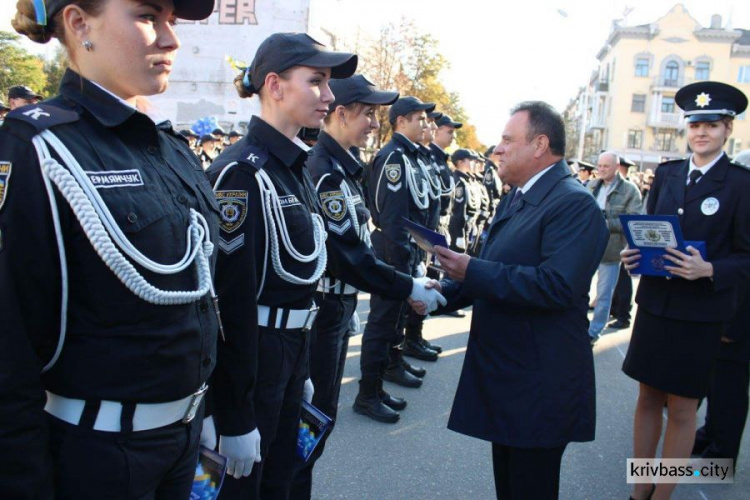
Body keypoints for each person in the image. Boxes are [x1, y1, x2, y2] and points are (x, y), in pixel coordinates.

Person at [0, 0, 219, 497]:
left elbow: (203, 296)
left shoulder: (170, 148)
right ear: (80, 24)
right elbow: (9, 342)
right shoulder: (37, 144)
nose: (171, 39)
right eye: (147, 16)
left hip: (182, 437)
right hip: (99, 455)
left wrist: (213, 409)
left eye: (172, 20)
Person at [204, 32, 357, 499]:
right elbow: (228, 302)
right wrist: (232, 411)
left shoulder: (292, 166)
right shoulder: (241, 173)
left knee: (282, 483)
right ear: (274, 86)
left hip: (290, 352)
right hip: (257, 356)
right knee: (247, 488)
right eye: (316, 81)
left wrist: (302, 365)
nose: (329, 97)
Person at [434, 101, 608, 499]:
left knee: (529, 489)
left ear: (539, 145)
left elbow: (555, 285)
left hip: (540, 385)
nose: (498, 149)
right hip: (513, 378)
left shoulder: (572, 203)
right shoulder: (520, 196)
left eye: (507, 140)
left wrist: (470, 270)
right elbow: (496, 266)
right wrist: (438, 295)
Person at [291, 74, 444, 498]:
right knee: (308, 426)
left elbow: (357, 242)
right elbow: (348, 255)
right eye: (368, 114)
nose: (374, 124)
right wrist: (406, 284)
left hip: (337, 310)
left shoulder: (341, 167)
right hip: (323, 313)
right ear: (340, 114)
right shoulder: (323, 170)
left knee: (318, 422)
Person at [621, 81, 750, 500]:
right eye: (695, 124)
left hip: (702, 314)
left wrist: (709, 268)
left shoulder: (741, 184)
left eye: (711, 125)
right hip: (657, 304)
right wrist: (633, 254)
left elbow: (747, 256)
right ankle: (640, 490)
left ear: (727, 128)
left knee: (681, 408)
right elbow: (652, 231)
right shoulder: (668, 173)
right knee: (646, 398)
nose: (701, 132)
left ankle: (662, 495)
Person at [360, 96, 435, 403]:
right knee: (383, 320)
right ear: (401, 121)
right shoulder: (394, 157)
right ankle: (368, 393)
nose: (426, 125)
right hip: (393, 251)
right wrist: (401, 263)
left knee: (397, 316)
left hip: (407, 249)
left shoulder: (411, 156)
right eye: (420, 119)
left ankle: (391, 365)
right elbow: (392, 218)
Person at [587, 151, 642, 345]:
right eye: (599, 166)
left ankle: (594, 332)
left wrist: (605, 222)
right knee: (580, 288)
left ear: (616, 167)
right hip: (587, 247)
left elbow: (633, 221)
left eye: (606, 166)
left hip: (612, 251)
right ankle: (579, 326)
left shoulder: (630, 190)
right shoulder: (591, 185)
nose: (601, 170)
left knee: (603, 295)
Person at [448, 148, 479, 253]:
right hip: (459, 228)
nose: (472, 163)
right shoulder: (459, 181)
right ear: (460, 162)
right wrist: (459, 234)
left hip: (467, 225)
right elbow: (457, 210)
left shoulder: (466, 180)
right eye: (469, 160)